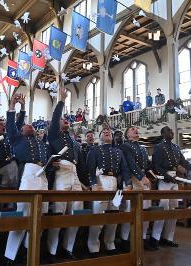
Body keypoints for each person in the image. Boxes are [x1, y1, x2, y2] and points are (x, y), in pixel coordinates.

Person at [4, 93, 50, 264]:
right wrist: (15, 106)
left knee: (41, 213)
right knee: (23, 213)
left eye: (31, 125)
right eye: (26, 125)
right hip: (28, 173)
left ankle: (28, 250)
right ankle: (10, 255)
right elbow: (10, 125)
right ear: (20, 131)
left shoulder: (40, 141)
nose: (30, 126)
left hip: (43, 174)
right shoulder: (16, 138)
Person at [152, 126, 191, 249]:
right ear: (163, 133)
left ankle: (168, 237)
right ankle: (155, 238)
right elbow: (156, 165)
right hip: (164, 179)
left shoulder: (175, 147)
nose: (172, 132)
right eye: (169, 131)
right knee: (163, 208)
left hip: (176, 179)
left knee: (174, 209)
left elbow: (183, 162)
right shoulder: (159, 147)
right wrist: (166, 176)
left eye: (172, 131)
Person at [47, 88, 83, 261]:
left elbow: (80, 160)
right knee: (58, 213)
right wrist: (61, 101)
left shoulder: (72, 139)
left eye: (66, 119)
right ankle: (52, 250)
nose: (65, 120)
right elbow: (55, 119)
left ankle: (67, 248)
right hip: (61, 172)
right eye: (63, 119)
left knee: (76, 212)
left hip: (74, 173)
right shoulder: (54, 134)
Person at [87, 128, 131, 257]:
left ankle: (110, 243)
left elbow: (124, 169)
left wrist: (127, 183)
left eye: (109, 132)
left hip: (114, 183)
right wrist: (93, 184)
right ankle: (93, 246)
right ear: (99, 137)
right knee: (98, 217)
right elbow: (90, 168)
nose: (107, 132)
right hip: (101, 182)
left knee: (113, 216)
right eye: (103, 132)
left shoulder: (118, 152)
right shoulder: (94, 150)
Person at [120, 127, 153, 251]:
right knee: (129, 210)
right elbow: (130, 163)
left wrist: (151, 176)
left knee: (146, 210)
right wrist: (142, 177)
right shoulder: (125, 146)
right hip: (131, 179)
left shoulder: (143, 148)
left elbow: (147, 165)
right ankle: (125, 240)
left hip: (143, 179)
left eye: (136, 129)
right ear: (127, 135)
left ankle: (142, 238)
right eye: (132, 130)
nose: (136, 130)